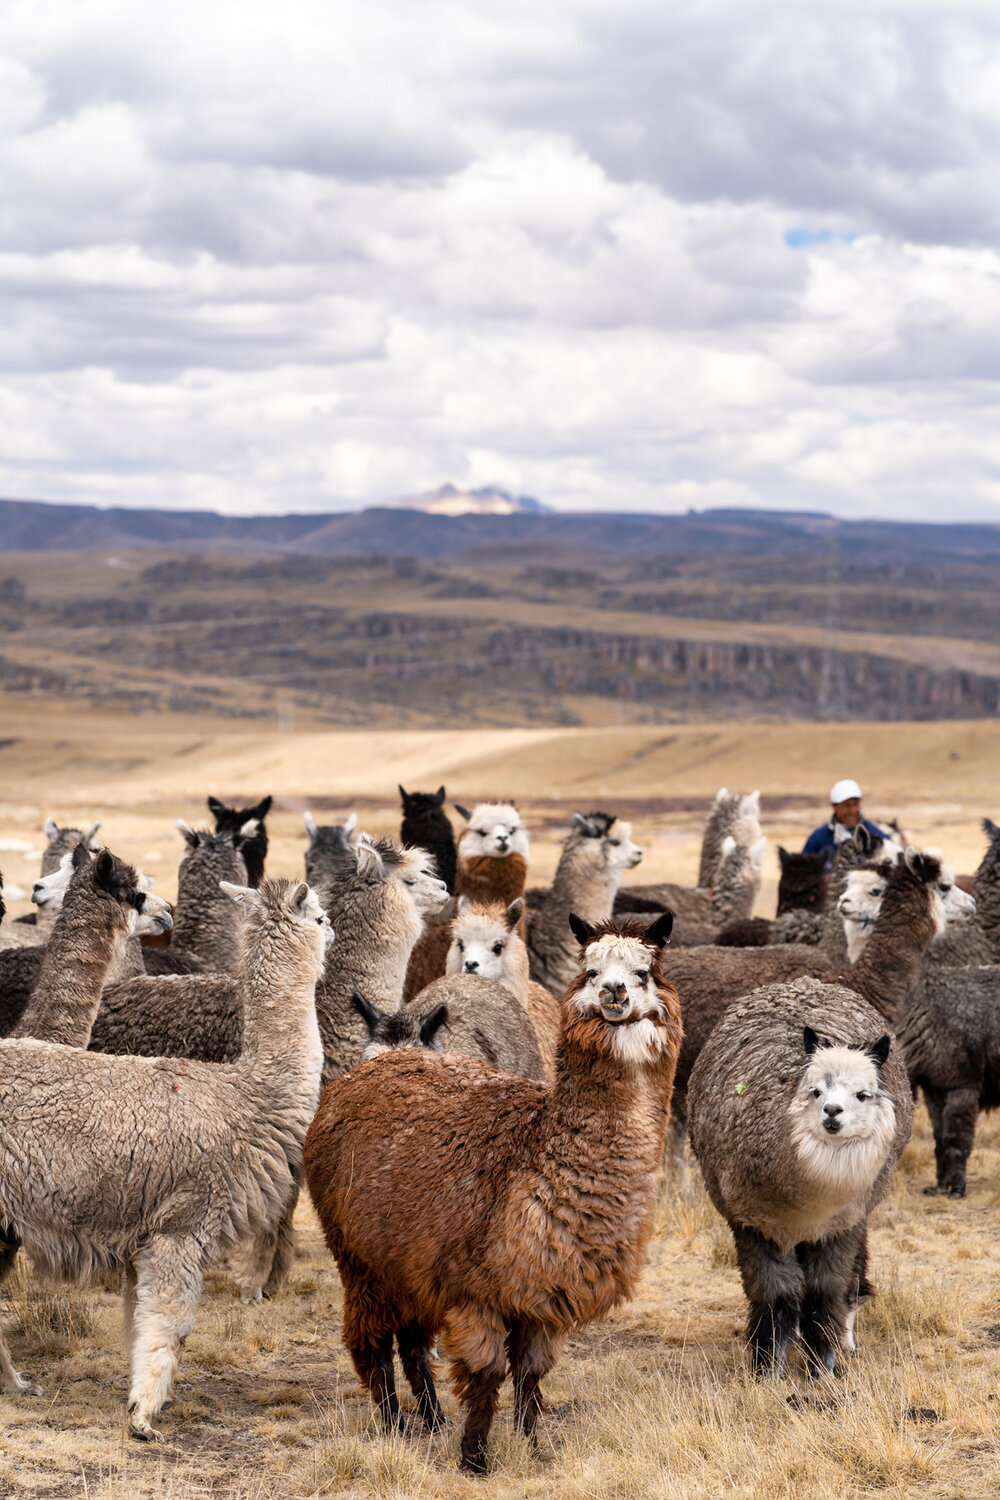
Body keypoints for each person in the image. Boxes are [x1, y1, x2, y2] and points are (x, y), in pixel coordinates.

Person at [802, 779, 889, 874]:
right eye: (846, 806)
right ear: (834, 806)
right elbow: (802, 872)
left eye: (855, 804)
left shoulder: (878, 836)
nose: (852, 811)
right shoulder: (818, 839)